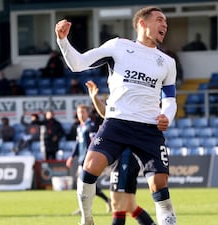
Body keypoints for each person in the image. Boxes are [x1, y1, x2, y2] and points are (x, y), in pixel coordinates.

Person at [55, 6, 178, 225]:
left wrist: (167, 115)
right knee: (89, 168)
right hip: (117, 123)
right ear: (142, 23)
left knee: (159, 186)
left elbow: (170, 98)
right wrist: (63, 41)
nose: (164, 25)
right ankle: (87, 218)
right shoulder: (118, 46)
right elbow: (78, 64)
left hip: (149, 128)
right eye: (160, 20)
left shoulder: (167, 62)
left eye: (166, 22)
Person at [86, 80, 156, 225]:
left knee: (117, 205)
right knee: (130, 205)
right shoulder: (121, 100)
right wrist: (95, 98)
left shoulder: (128, 99)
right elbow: (107, 115)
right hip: (127, 156)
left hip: (125, 156)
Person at [65, 104, 112, 216]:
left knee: (83, 184)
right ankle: (105, 200)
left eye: (83, 112)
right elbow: (78, 144)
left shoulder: (91, 125)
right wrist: (72, 156)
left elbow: (94, 141)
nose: (80, 115)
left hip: (88, 158)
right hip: (81, 158)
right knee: (86, 184)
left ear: (87, 113)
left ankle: (84, 209)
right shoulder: (80, 127)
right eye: (79, 112)